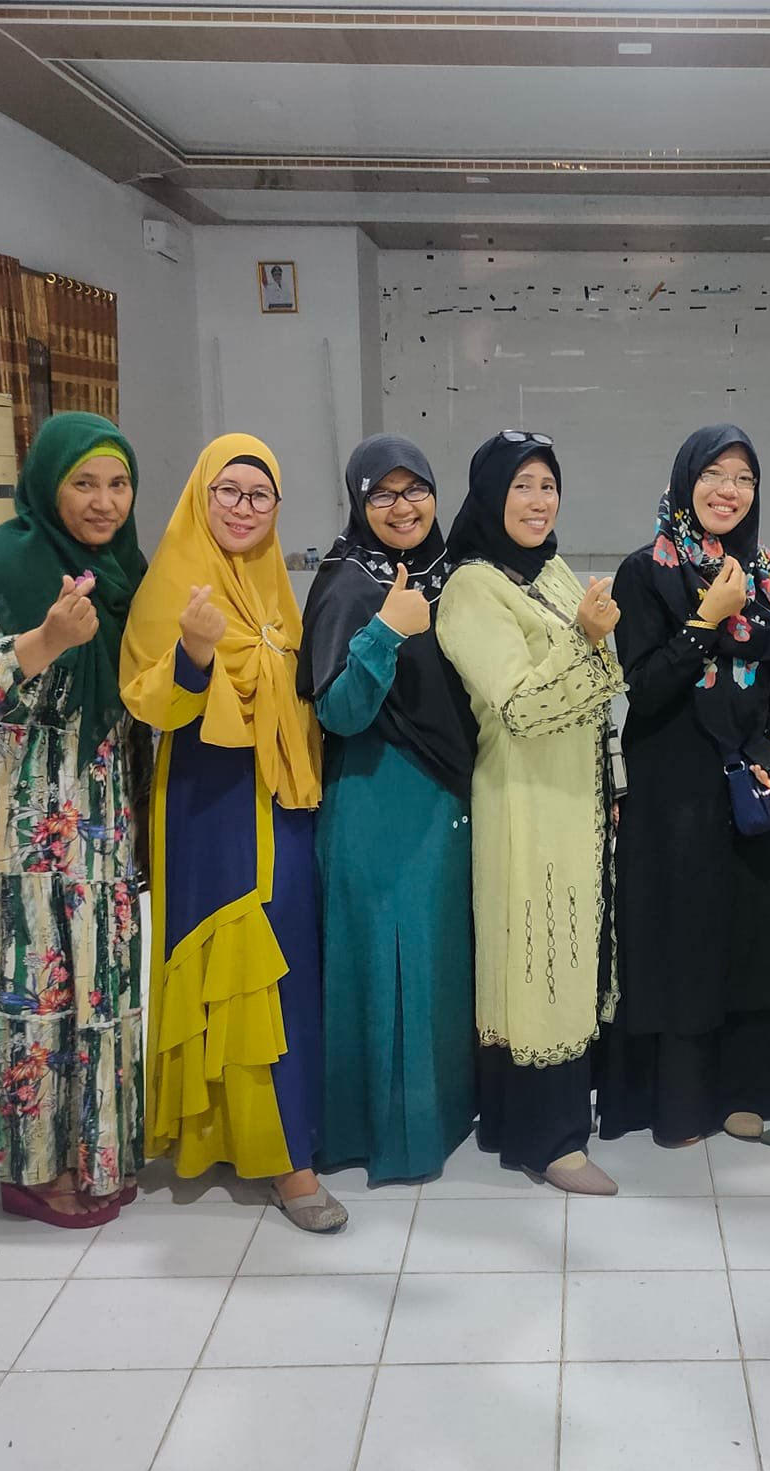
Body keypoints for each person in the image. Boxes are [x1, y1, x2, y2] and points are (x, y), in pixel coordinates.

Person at [0, 412, 151, 1228]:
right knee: (20, 985)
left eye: (118, 483)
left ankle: (87, 1147)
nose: (103, 502)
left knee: (92, 981)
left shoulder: (126, 571)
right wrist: (42, 640)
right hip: (0, 816)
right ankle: (25, 1168)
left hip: (92, 810)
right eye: (84, 483)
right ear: (48, 484)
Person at [120, 433, 344, 1234]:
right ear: (200, 496)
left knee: (284, 965)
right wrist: (193, 652)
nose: (244, 509)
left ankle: (272, 1132)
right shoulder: (172, 582)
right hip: (206, 801)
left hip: (281, 798)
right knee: (240, 961)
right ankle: (285, 1162)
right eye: (228, 491)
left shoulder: (275, 586)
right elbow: (149, 701)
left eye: (260, 495)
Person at [599, 425, 770, 1147]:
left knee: (747, 930)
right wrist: (705, 622)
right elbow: (646, 688)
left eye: (744, 478)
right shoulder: (644, 571)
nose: (729, 490)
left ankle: (743, 1089)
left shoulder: (765, 570)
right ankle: (681, 1101)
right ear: (685, 481)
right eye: (714, 474)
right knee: (680, 933)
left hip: (746, 782)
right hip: (673, 785)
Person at [435, 430, 625, 1195]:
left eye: (548, 485)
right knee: (540, 958)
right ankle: (550, 1142)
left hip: (574, 796)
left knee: (566, 955)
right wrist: (586, 639)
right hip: (523, 799)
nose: (538, 500)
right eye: (521, 485)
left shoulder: (549, 569)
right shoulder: (472, 588)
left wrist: (590, 646)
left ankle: (526, 1127)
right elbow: (520, 705)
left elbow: (607, 677)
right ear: (489, 495)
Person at [299, 434, 478, 1185]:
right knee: (390, 964)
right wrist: (386, 631)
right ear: (359, 500)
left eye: (416, 490)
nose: (402, 507)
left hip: (444, 794)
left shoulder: (449, 571)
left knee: (437, 965)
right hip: (379, 800)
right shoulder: (347, 583)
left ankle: (442, 1116)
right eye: (383, 494)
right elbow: (338, 711)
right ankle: (391, 1137)